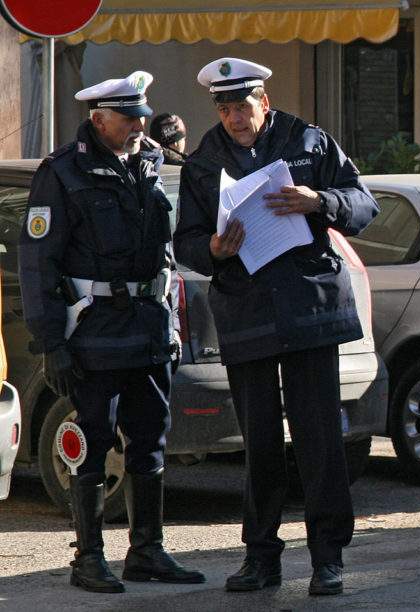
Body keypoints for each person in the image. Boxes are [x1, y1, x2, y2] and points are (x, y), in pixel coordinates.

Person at [173, 57, 379, 597]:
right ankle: (260, 556)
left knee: (318, 440)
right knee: (259, 443)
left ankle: (328, 557)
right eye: (224, 109)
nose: (235, 118)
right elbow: (186, 241)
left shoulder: (309, 141)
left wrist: (321, 201)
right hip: (246, 312)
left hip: (309, 308)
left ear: (264, 100)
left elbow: (364, 203)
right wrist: (212, 249)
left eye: (243, 106)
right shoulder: (204, 161)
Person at [19, 71, 204, 593]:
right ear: (99, 120)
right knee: (94, 445)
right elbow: (38, 265)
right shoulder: (62, 172)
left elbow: (166, 250)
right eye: (129, 119)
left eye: (143, 118)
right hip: (94, 330)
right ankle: (89, 558)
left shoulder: (149, 161)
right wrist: (51, 342)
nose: (139, 127)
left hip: (147, 328)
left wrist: (170, 322)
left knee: (150, 443)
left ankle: (146, 550)